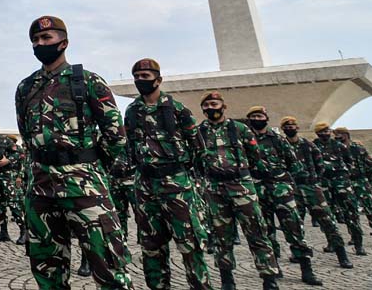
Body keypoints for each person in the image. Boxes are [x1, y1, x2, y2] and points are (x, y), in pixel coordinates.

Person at [15, 15, 133, 289]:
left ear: (64, 42)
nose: (40, 44)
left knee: (109, 267)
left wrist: (87, 163)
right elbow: (27, 135)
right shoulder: (25, 88)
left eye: (47, 38)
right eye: (35, 40)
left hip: (85, 188)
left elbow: (116, 135)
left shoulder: (88, 82)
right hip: (41, 190)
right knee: (47, 271)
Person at [124, 58, 213, 290]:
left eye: (145, 76)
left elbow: (198, 148)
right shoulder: (132, 111)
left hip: (176, 185)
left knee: (190, 244)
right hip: (145, 186)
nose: (140, 81)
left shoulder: (178, 110)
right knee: (151, 247)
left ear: (158, 79)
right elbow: (130, 147)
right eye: (137, 77)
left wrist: (179, 172)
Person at [196, 91, 279, 290]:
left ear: (223, 106)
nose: (211, 108)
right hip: (215, 189)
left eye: (214, 104)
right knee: (221, 236)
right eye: (206, 105)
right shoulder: (199, 132)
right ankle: (227, 280)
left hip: (241, 187)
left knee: (257, 232)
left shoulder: (240, 129)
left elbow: (254, 156)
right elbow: (196, 159)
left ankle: (269, 278)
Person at [245, 106, 320, 285]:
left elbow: (293, 163)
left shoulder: (278, 139)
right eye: (253, 116)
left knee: (294, 229)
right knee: (265, 232)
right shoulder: (246, 140)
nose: (257, 119)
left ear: (266, 118)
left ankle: (306, 269)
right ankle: (273, 266)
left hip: (281, 189)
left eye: (260, 115)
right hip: (258, 191)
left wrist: (287, 182)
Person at [278, 116, 352, 268]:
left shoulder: (308, 145)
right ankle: (298, 254)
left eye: (292, 125)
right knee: (294, 224)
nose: (290, 128)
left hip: (311, 188)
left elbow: (319, 165)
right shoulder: (281, 145)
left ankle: (342, 255)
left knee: (328, 221)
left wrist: (314, 180)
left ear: (297, 128)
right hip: (292, 189)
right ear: (283, 129)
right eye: (287, 126)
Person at [314, 122, 366, 255]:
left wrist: (344, 175)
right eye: (322, 131)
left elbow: (349, 162)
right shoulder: (313, 146)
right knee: (327, 215)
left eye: (327, 131)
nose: (325, 133)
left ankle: (358, 243)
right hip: (325, 184)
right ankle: (332, 242)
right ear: (317, 133)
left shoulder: (339, 146)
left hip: (341, 183)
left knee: (351, 212)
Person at [0, 118, 26, 245]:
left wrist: (8, 161)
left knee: (14, 205)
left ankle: (24, 232)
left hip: (8, 177)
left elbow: (20, 154)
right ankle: (4, 232)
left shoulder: (5, 141)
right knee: (0, 206)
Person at [334, 127, 372, 246]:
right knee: (350, 212)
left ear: (346, 135)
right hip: (346, 183)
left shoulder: (357, 148)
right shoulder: (337, 149)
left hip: (361, 181)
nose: (337, 137)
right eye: (335, 135)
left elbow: (370, 164)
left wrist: (369, 178)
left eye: (339, 134)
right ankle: (355, 236)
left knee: (371, 209)